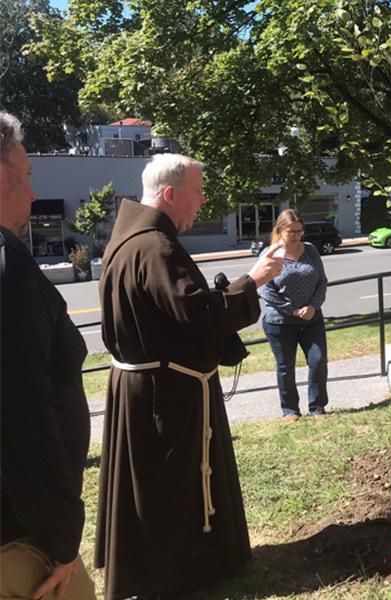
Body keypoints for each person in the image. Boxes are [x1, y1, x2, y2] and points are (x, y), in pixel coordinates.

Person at [94, 154, 284, 598]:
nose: (201, 203)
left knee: (152, 486)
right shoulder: (156, 248)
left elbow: (174, 314)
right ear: (170, 194)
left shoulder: (129, 240)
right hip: (166, 393)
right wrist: (251, 281)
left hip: (145, 386)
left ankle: (154, 564)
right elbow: (199, 313)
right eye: (198, 193)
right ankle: (180, 571)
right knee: (170, 484)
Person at [0, 113, 96, 599]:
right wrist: (60, 538)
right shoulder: (7, 267)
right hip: (19, 539)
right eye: (27, 174)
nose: (34, 194)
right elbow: (22, 412)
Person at [259, 209, 329, 421]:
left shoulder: (310, 250)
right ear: (280, 230)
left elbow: (321, 281)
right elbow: (264, 289)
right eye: (291, 231)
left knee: (318, 360)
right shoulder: (270, 254)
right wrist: (293, 310)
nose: (296, 235)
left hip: (311, 319)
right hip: (280, 321)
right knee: (285, 367)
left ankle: (317, 407)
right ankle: (290, 410)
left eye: (299, 231)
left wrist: (313, 307)